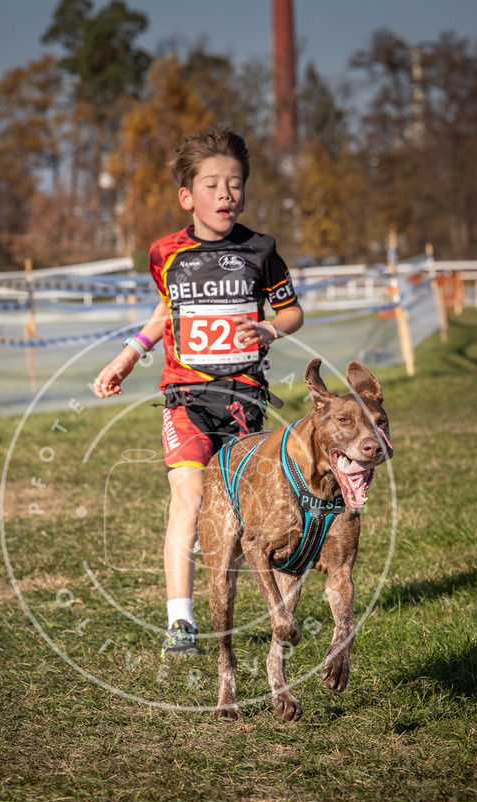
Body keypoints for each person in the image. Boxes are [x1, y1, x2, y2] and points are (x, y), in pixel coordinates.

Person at [92, 127, 304, 658]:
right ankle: (181, 621)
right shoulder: (165, 253)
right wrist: (125, 356)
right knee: (187, 499)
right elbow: (166, 314)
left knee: (243, 512)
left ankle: (271, 611)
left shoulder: (261, 250)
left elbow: (291, 311)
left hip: (245, 400)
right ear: (187, 197)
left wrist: (272, 331)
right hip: (186, 399)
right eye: (212, 185)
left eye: (235, 184)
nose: (226, 194)